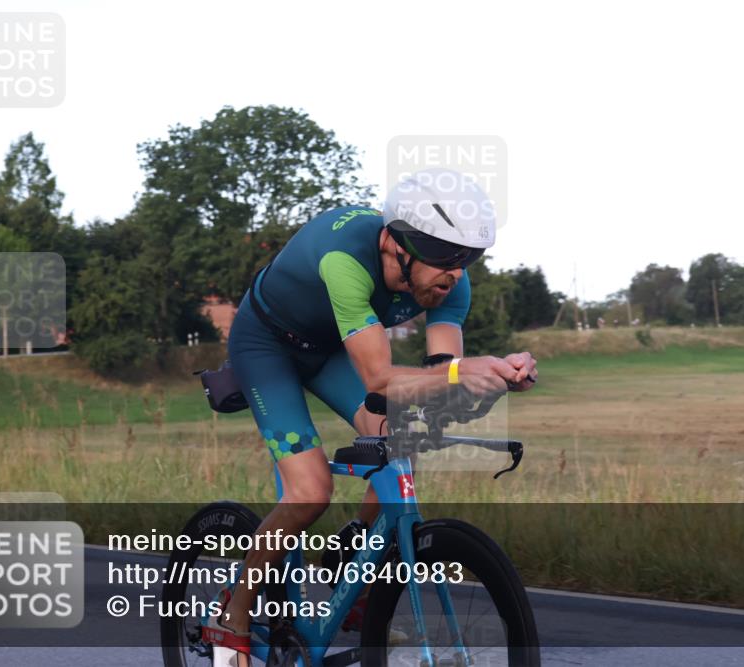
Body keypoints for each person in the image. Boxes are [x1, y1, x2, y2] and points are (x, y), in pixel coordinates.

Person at [208, 168, 538, 663]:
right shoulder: (346, 261)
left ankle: (355, 562)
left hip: (331, 350)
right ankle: (233, 612)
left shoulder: (452, 284)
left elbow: (438, 382)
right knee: (310, 490)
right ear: (393, 244)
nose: (454, 272)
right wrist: (460, 373)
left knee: (404, 440)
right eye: (443, 257)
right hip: (267, 346)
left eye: (466, 259)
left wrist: (496, 378)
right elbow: (381, 380)